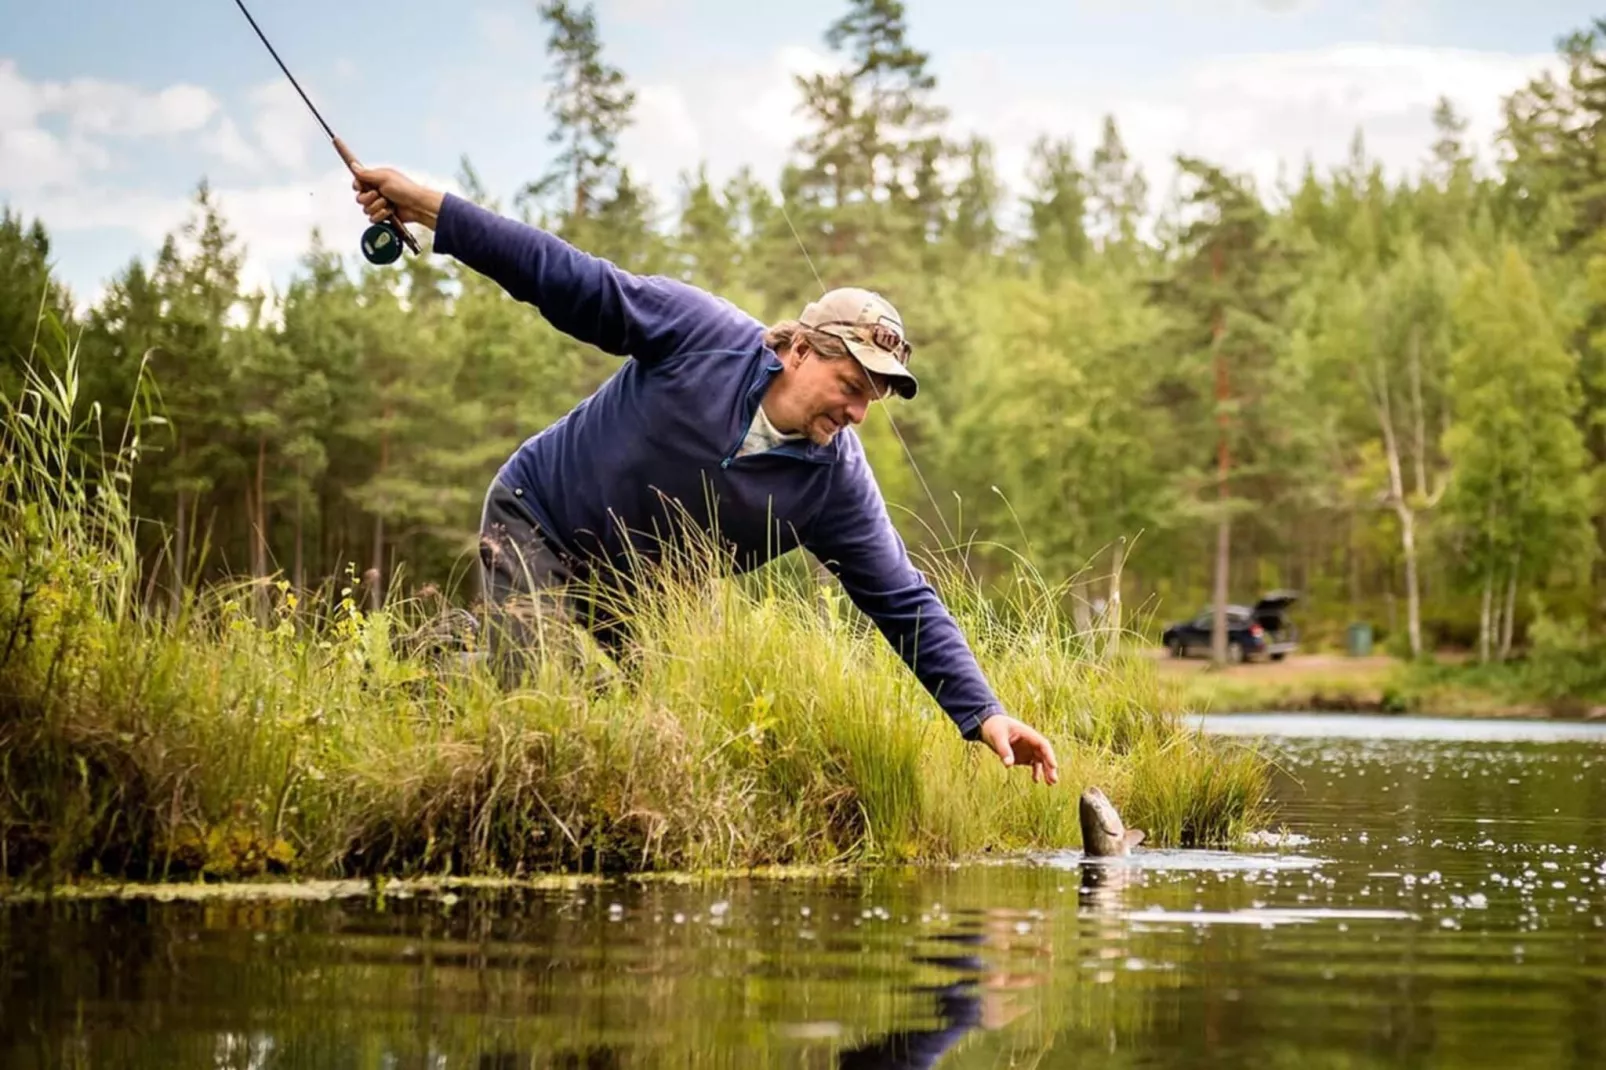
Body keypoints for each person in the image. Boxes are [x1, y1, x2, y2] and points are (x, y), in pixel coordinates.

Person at [350, 166, 1060, 786]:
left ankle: (464, 649)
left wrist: (984, 714)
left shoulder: (834, 482)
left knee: (653, 740)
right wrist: (431, 208)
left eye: (871, 399)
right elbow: (561, 275)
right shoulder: (701, 334)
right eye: (850, 385)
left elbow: (902, 600)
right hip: (540, 516)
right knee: (536, 701)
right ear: (802, 351)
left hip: (646, 594)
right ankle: (427, 659)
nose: (858, 412)